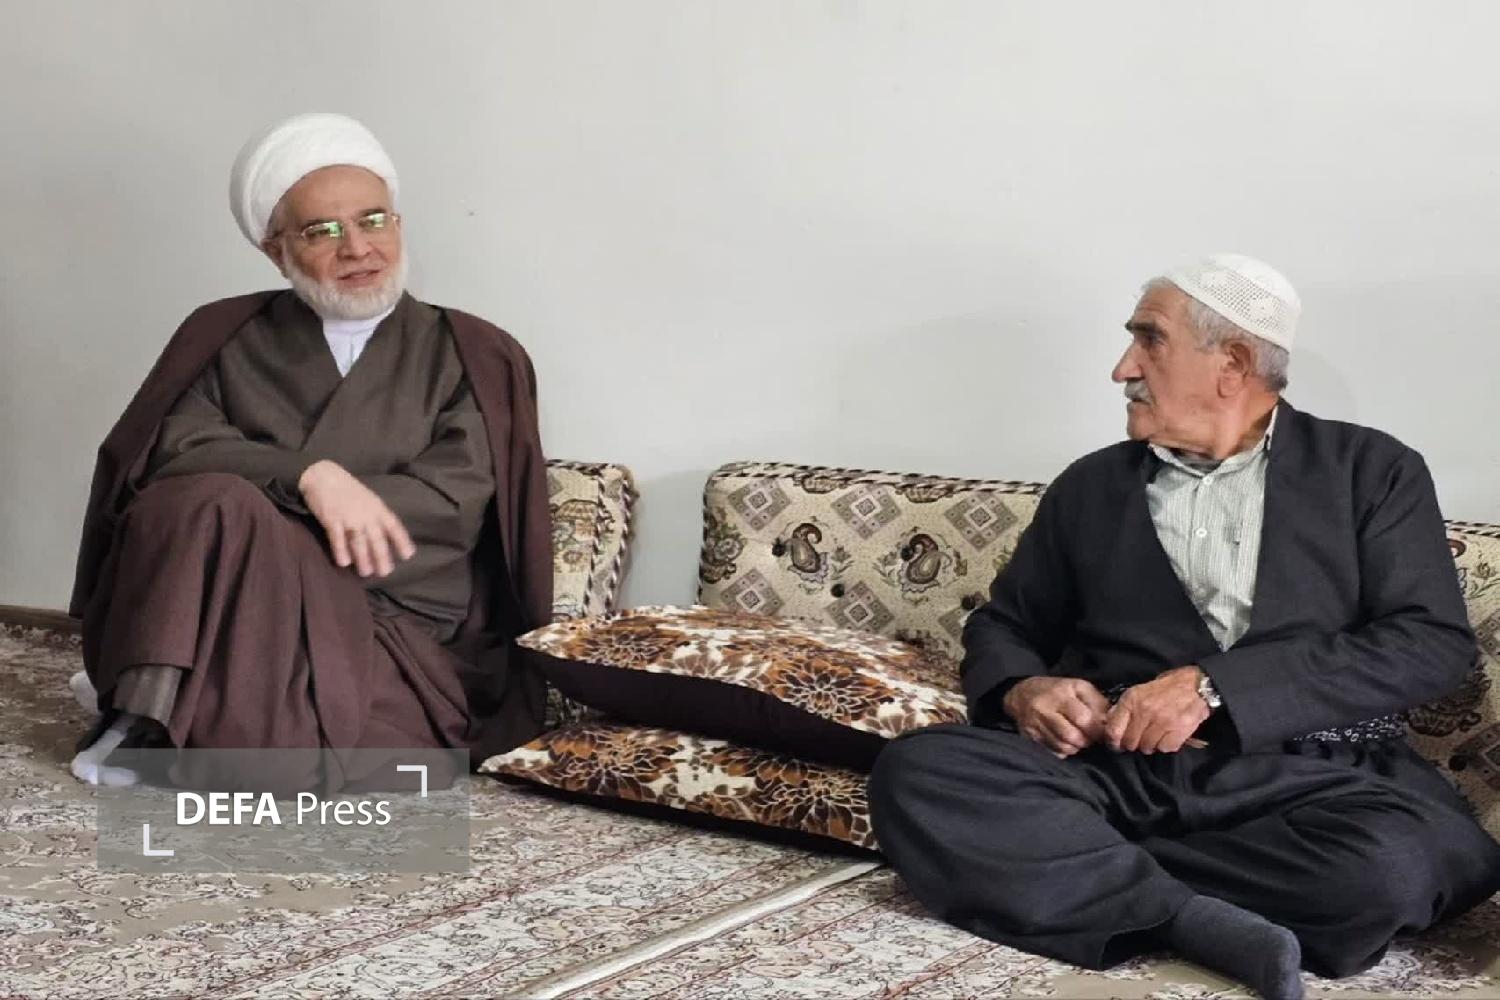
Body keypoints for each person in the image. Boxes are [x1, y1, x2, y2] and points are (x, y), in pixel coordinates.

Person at [868, 254, 1500, 1000]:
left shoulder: (1372, 469)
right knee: (921, 773)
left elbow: (1430, 645)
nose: (1122, 369)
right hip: (1120, 771)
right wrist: (1023, 689)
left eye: (1149, 339)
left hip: (1320, 776)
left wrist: (1214, 688)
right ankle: (1192, 916)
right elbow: (1006, 626)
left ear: (1232, 363)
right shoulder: (1089, 486)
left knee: (1391, 868)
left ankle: (1084, 873)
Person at [68, 112, 553, 792]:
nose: (356, 248)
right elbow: (173, 448)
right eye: (321, 231)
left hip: (386, 619)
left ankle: (174, 687)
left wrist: (282, 540)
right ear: (277, 251)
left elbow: (453, 502)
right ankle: (144, 717)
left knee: (307, 755)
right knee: (201, 498)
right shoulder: (222, 334)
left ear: (398, 224)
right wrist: (309, 477)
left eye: (372, 220)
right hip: (236, 597)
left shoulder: (474, 352)